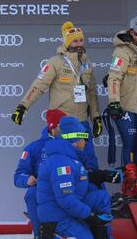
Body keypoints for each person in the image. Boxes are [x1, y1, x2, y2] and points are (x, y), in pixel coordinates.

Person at [11, 21, 102, 170]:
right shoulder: (56, 62)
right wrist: (23, 106)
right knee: (65, 164)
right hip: (62, 123)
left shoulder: (87, 64)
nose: (78, 44)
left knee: (89, 163)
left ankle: (91, 193)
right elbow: (38, 86)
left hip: (82, 123)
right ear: (67, 43)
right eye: (74, 41)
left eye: (80, 40)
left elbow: (92, 93)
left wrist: (96, 116)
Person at [35, 116, 126, 239]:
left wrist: (100, 175)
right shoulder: (62, 163)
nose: (87, 143)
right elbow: (66, 199)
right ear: (77, 140)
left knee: (101, 197)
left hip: (68, 208)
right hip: (59, 215)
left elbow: (76, 183)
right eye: (86, 139)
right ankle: (47, 238)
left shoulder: (70, 158)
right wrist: (90, 216)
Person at [106, 15, 137, 198]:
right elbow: (114, 77)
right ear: (131, 32)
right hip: (125, 105)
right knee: (130, 141)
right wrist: (114, 102)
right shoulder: (122, 51)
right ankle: (131, 183)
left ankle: (136, 179)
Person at [14, 109, 67, 239]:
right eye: (62, 125)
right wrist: (27, 179)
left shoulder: (72, 143)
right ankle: (40, 237)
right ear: (53, 126)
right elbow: (19, 176)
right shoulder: (34, 147)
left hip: (67, 185)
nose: (65, 128)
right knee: (32, 194)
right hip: (44, 188)